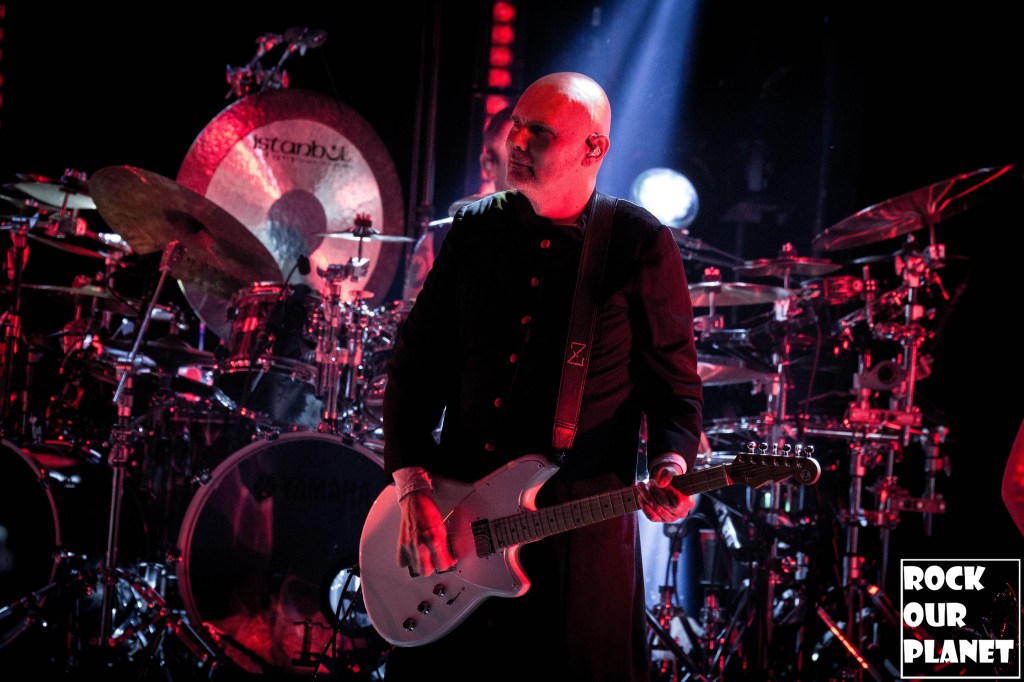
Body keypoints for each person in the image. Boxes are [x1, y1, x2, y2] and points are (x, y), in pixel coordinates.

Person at [380, 72, 704, 682]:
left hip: (578, 538)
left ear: (593, 148)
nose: (517, 142)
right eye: (517, 125)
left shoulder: (638, 242)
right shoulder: (474, 229)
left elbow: (675, 389)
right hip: (459, 522)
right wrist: (413, 485)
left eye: (540, 132)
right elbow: (415, 367)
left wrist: (672, 462)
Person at [401, 104, 516, 301]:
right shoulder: (441, 238)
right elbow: (410, 314)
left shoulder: (559, 236)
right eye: (515, 154)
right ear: (488, 165)